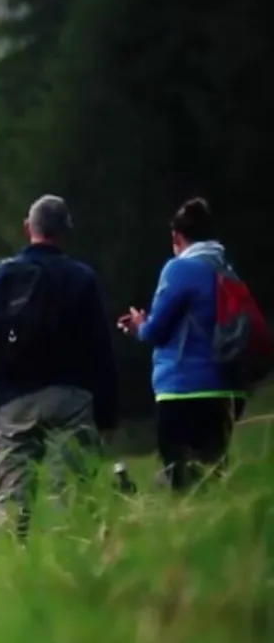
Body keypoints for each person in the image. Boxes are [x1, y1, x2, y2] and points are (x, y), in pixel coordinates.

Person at [0, 194, 120, 541]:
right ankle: (74, 571)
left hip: (13, 404)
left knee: (12, 498)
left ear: (27, 228)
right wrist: (107, 415)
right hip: (71, 399)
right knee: (72, 494)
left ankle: (8, 579)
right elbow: (102, 351)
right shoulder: (82, 278)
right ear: (65, 232)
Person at [117, 197, 260, 490]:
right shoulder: (226, 270)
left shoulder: (179, 270)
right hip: (227, 390)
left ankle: (152, 508)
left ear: (177, 237)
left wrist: (139, 324)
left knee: (180, 479)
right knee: (212, 474)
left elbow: (154, 331)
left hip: (184, 390)